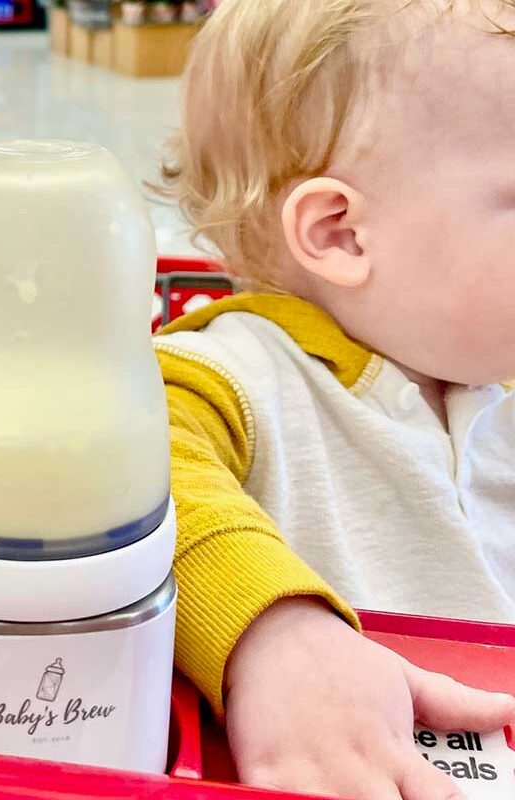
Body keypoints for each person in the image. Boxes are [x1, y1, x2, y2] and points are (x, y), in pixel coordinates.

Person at [155, 0, 515, 797]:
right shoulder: (238, 377)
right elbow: (124, 468)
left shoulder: (488, 371)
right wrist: (274, 640)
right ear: (342, 234)